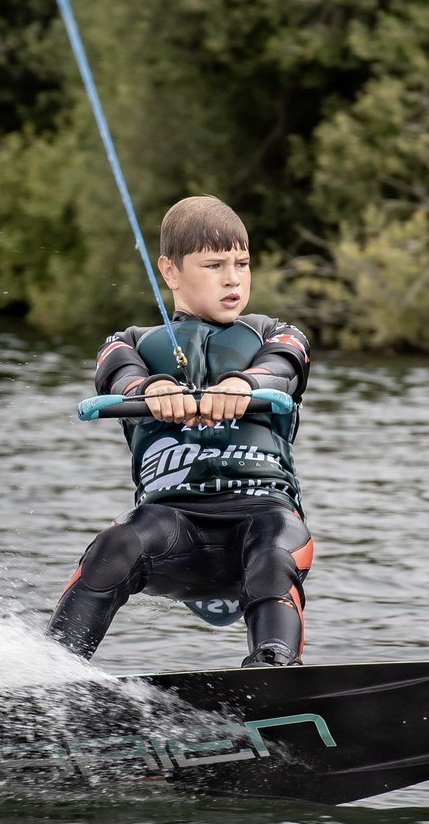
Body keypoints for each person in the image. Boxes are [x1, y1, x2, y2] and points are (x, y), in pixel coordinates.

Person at [47, 195, 314, 667]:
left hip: (263, 522)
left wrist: (242, 384)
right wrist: (151, 390)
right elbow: (118, 375)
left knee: (273, 554)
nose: (233, 277)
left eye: (243, 263)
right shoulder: (127, 343)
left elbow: (283, 366)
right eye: (214, 265)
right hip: (174, 531)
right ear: (169, 272)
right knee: (116, 544)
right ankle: (46, 675)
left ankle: (274, 669)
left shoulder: (277, 334)